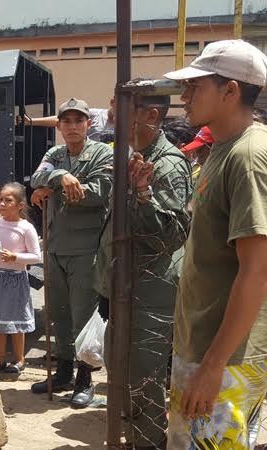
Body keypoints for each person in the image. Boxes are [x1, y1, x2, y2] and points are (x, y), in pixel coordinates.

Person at [161, 39, 267, 450]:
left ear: (230, 91)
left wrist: (213, 366)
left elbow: (256, 270)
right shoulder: (222, 150)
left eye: (196, 87)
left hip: (226, 360)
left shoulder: (249, 156)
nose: (185, 97)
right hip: (205, 349)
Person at [94, 92, 192, 448]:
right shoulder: (134, 158)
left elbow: (168, 236)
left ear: (151, 114)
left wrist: (143, 193)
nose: (110, 113)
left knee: (144, 383)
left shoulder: (166, 164)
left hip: (151, 290)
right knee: (122, 372)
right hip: (126, 285)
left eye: (122, 108)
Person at [28, 98, 114, 407]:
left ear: (89, 124)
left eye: (79, 120)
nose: (73, 126)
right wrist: (57, 178)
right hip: (55, 248)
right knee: (58, 316)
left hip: (86, 251)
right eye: (67, 121)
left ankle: (84, 378)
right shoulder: (55, 153)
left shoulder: (103, 153)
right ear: (59, 125)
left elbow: (99, 192)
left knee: (83, 317)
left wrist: (56, 189)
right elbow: (36, 177)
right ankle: (62, 372)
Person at [0, 182, 41, 375]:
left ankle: (19, 359)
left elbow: (36, 256)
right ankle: (0, 358)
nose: (2, 204)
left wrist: (16, 257)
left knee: (15, 322)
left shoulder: (26, 228)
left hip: (15, 280)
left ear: (20, 205)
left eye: (8, 200)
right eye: (0, 200)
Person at [20, 97, 115, 141]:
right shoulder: (96, 114)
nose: (73, 127)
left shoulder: (127, 124)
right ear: (112, 102)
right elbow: (60, 119)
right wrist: (31, 121)